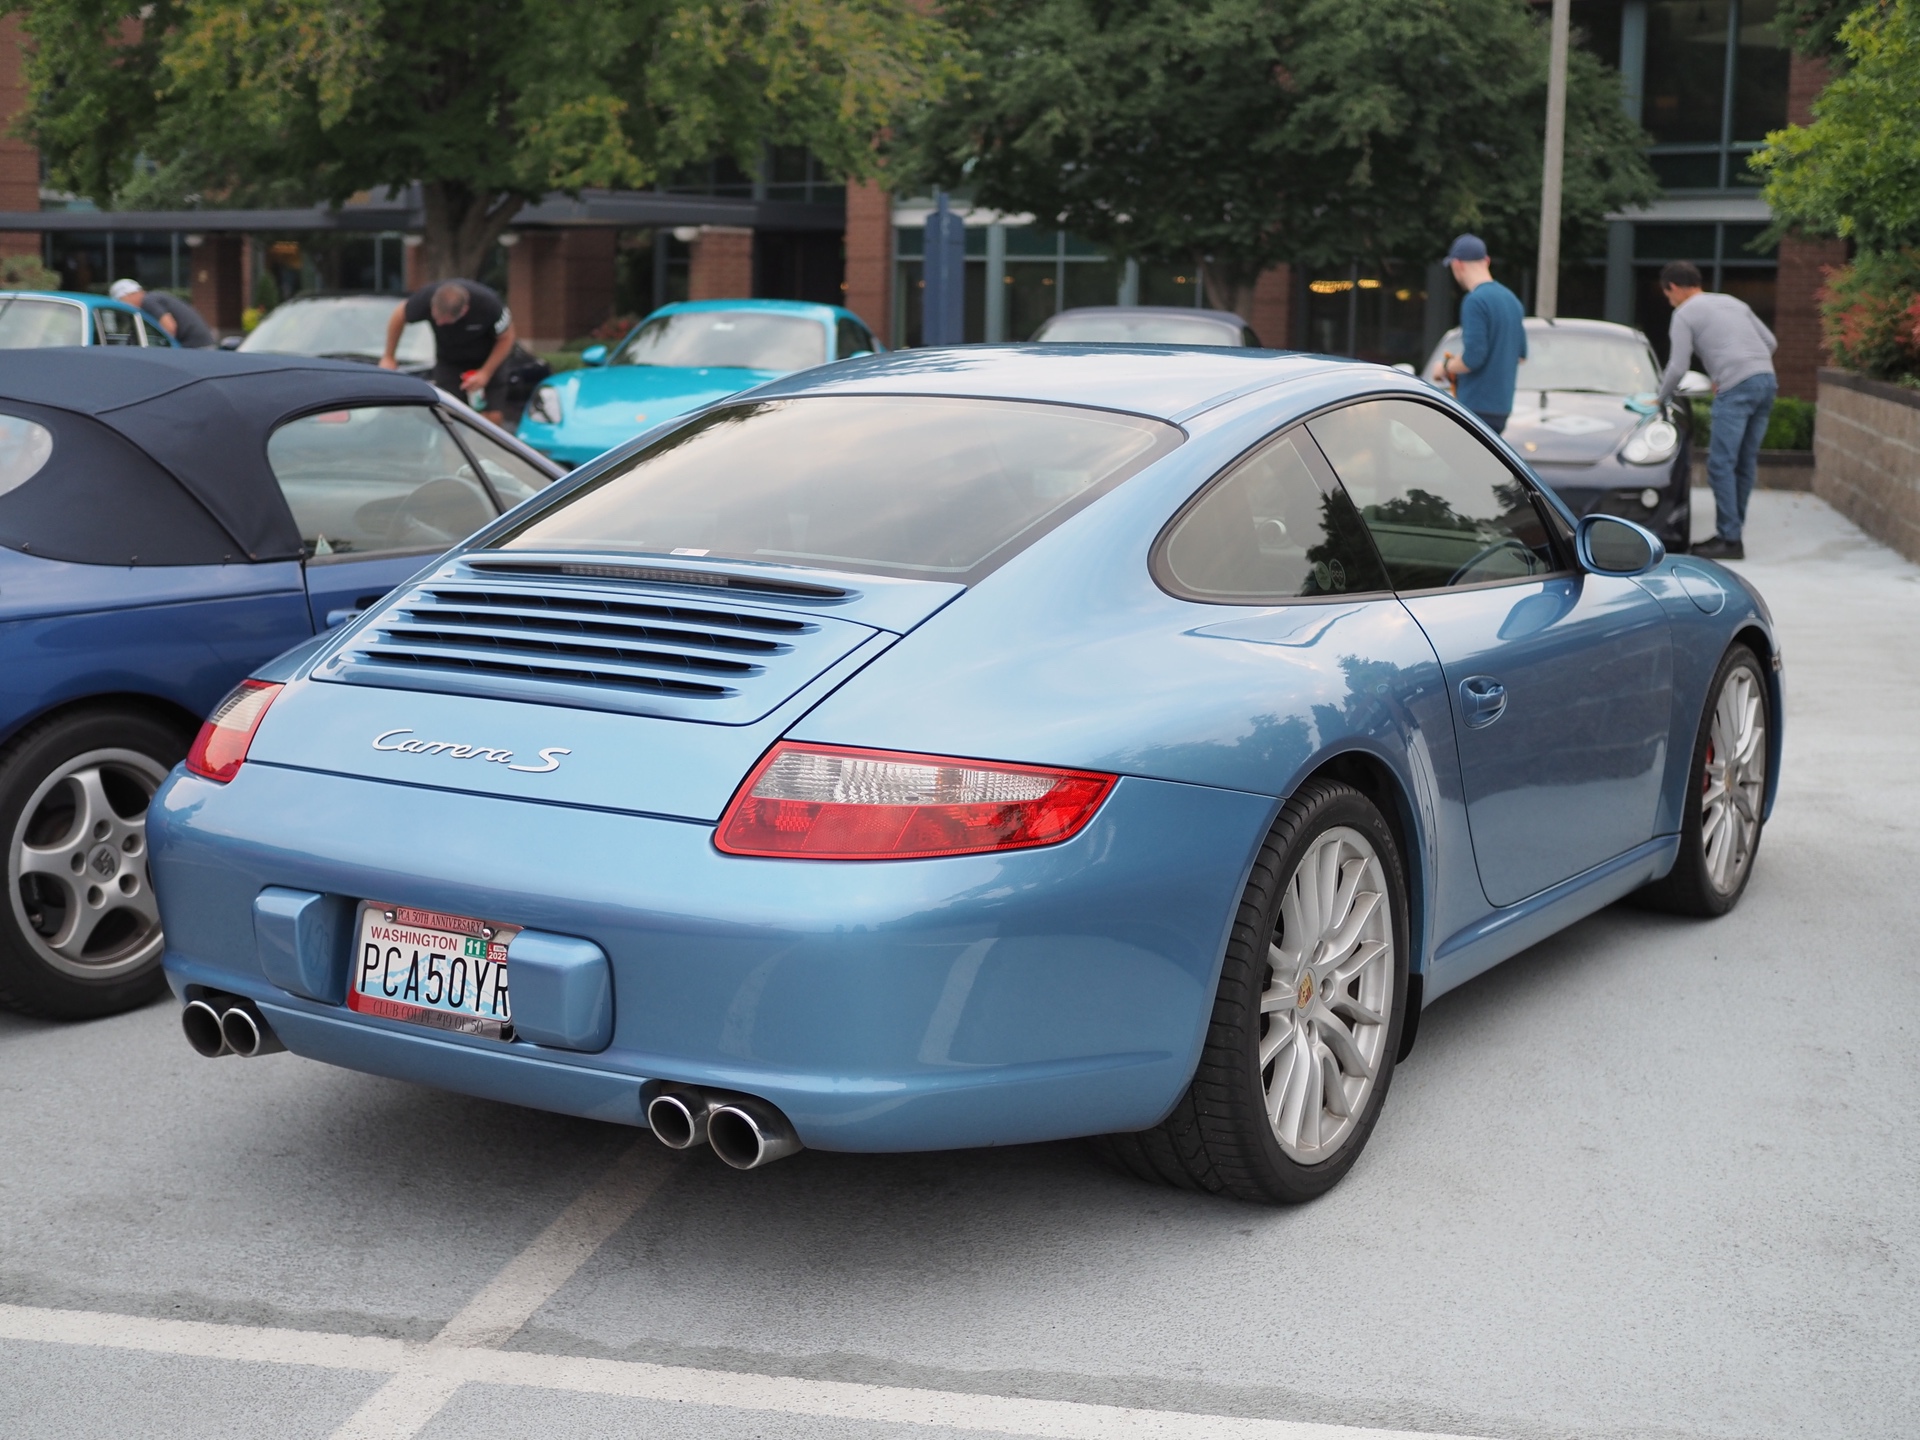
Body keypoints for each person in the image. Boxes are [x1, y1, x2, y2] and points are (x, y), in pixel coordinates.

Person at [1654, 260, 1777, 562]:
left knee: (1721, 465)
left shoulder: (1684, 313)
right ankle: (1732, 533)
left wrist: (1659, 399)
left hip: (1736, 387)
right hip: (1766, 380)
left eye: (1667, 295)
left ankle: (1729, 539)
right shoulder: (1733, 302)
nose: (1669, 301)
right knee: (1744, 462)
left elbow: (1678, 366)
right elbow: (1771, 342)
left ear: (1673, 288)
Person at [381, 279, 517, 422]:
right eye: (436, 318)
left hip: (488, 359)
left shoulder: (488, 304)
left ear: (464, 311)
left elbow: (507, 338)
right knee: (450, 415)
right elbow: (398, 316)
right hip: (450, 361)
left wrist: (485, 373)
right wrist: (389, 356)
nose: (439, 323)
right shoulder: (426, 297)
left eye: (445, 321)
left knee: (492, 417)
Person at [1432, 234, 1527, 434]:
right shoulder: (1512, 300)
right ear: (1486, 261)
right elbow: (1520, 357)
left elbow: (1473, 358)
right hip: (1501, 408)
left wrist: (1445, 366)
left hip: (1475, 407)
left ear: (1457, 265)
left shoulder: (1475, 301)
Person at [108, 279, 215, 348]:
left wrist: (166, 350)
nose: (124, 305)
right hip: (201, 343)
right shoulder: (153, 298)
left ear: (129, 295)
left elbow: (170, 327)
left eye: (122, 300)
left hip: (195, 346)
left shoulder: (148, 301)